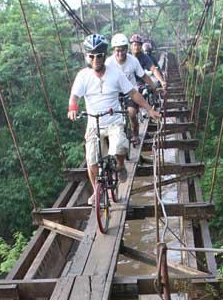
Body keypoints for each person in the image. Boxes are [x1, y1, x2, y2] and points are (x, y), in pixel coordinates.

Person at [68, 34, 160, 203]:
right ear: (87, 57)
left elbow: (133, 93)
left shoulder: (115, 73)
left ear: (104, 55)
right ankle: (97, 191)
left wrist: (149, 109)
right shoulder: (83, 76)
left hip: (114, 121)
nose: (95, 59)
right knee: (91, 160)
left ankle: (121, 165)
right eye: (91, 56)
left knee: (118, 146)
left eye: (99, 55)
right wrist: (73, 108)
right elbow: (74, 96)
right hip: (94, 124)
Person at [106, 33, 157, 146]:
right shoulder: (108, 63)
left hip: (131, 92)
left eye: (122, 50)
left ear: (126, 49)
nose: (119, 53)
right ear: (113, 50)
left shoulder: (133, 61)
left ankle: (135, 134)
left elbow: (143, 76)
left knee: (132, 113)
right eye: (117, 50)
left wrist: (154, 86)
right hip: (114, 94)